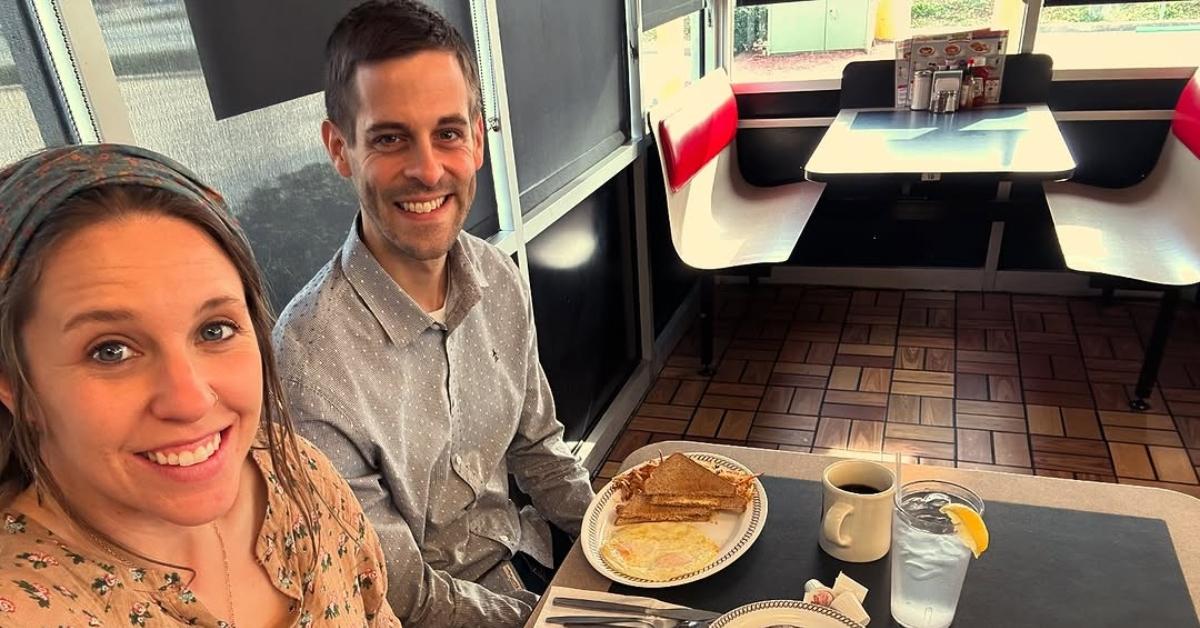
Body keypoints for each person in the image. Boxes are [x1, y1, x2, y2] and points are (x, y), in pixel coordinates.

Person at [272, 1, 595, 625]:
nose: (427, 170)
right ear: (340, 149)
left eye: (447, 132)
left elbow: (537, 448)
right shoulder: (308, 359)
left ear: (476, 137)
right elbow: (398, 587)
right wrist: (537, 619)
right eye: (390, 138)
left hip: (526, 559)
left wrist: (621, 541)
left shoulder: (497, 274)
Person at [0, 144, 402, 626]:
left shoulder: (298, 475)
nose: (190, 400)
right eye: (111, 350)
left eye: (215, 329)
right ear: (15, 386)